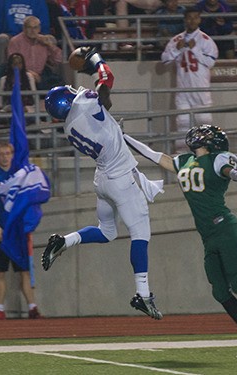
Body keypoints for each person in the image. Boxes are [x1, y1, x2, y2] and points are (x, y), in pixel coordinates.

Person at [123, 124, 237, 359]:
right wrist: (127, 138)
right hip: (208, 235)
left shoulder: (219, 159)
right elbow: (157, 157)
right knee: (220, 292)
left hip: (224, 228)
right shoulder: (186, 160)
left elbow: (236, 174)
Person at [42, 47, 164, 320]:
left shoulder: (69, 126)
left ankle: (65, 240)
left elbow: (104, 107)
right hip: (120, 177)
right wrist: (95, 59)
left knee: (107, 231)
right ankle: (143, 295)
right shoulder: (84, 103)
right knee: (141, 233)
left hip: (102, 179)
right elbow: (107, 82)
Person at [0, 142, 43, 320]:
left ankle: (32, 307)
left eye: (8, 153)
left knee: (25, 270)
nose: (5, 157)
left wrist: (28, 224)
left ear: (13, 154)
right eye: (1, 154)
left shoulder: (20, 175)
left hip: (18, 232)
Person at [161, 7, 218, 151]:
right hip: (183, 89)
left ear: (199, 19)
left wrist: (195, 49)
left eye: (195, 17)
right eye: (189, 17)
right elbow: (165, 60)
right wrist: (177, 49)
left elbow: (210, 62)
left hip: (200, 88)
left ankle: (206, 153)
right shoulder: (176, 40)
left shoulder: (205, 40)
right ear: (185, 19)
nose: (192, 20)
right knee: (182, 122)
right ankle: (181, 154)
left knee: (204, 122)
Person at [7, 16, 63, 90]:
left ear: (39, 29)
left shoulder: (44, 41)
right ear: (24, 28)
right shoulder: (15, 41)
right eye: (29, 27)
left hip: (41, 75)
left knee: (60, 84)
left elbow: (58, 60)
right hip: (21, 74)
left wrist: (50, 46)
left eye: (35, 28)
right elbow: (13, 64)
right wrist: (30, 74)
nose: (33, 31)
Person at [0, 0, 51, 65]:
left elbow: (44, 23)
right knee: (1, 39)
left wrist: (43, 37)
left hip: (31, 35)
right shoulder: (1, 1)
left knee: (50, 40)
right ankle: (2, 71)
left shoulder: (39, 1)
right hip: (9, 36)